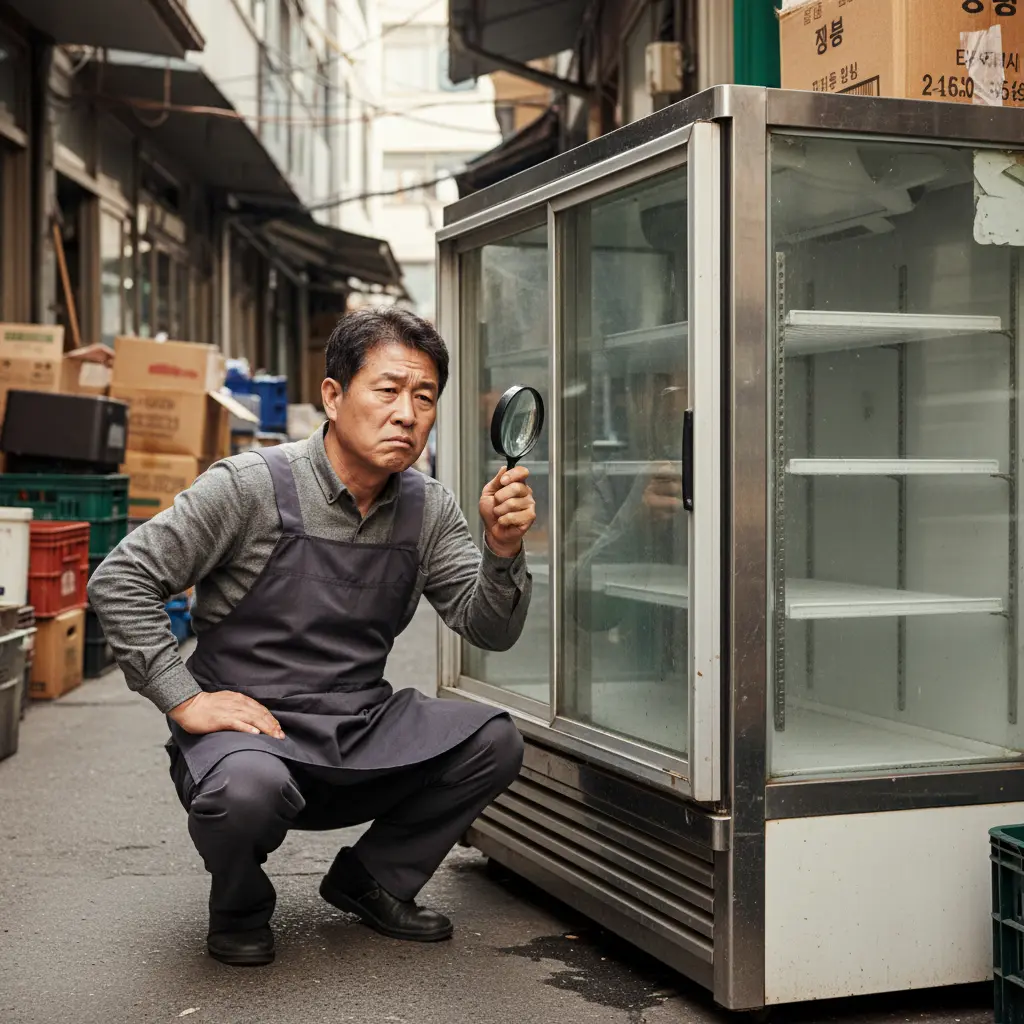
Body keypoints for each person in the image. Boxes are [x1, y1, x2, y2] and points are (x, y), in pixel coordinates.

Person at [88, 308, 536, 967]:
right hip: (247, 736)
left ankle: (374, 879)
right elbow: (121, 579)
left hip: (356, 726)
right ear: (333, 395)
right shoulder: (248, 487)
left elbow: (487, 628)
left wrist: (503, 550)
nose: (407, 414)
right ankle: (239, 904)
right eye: (388, 390)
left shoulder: (428, 508)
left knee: (495, 741)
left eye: (424, 397)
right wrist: (183, 698)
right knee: (246, 791)